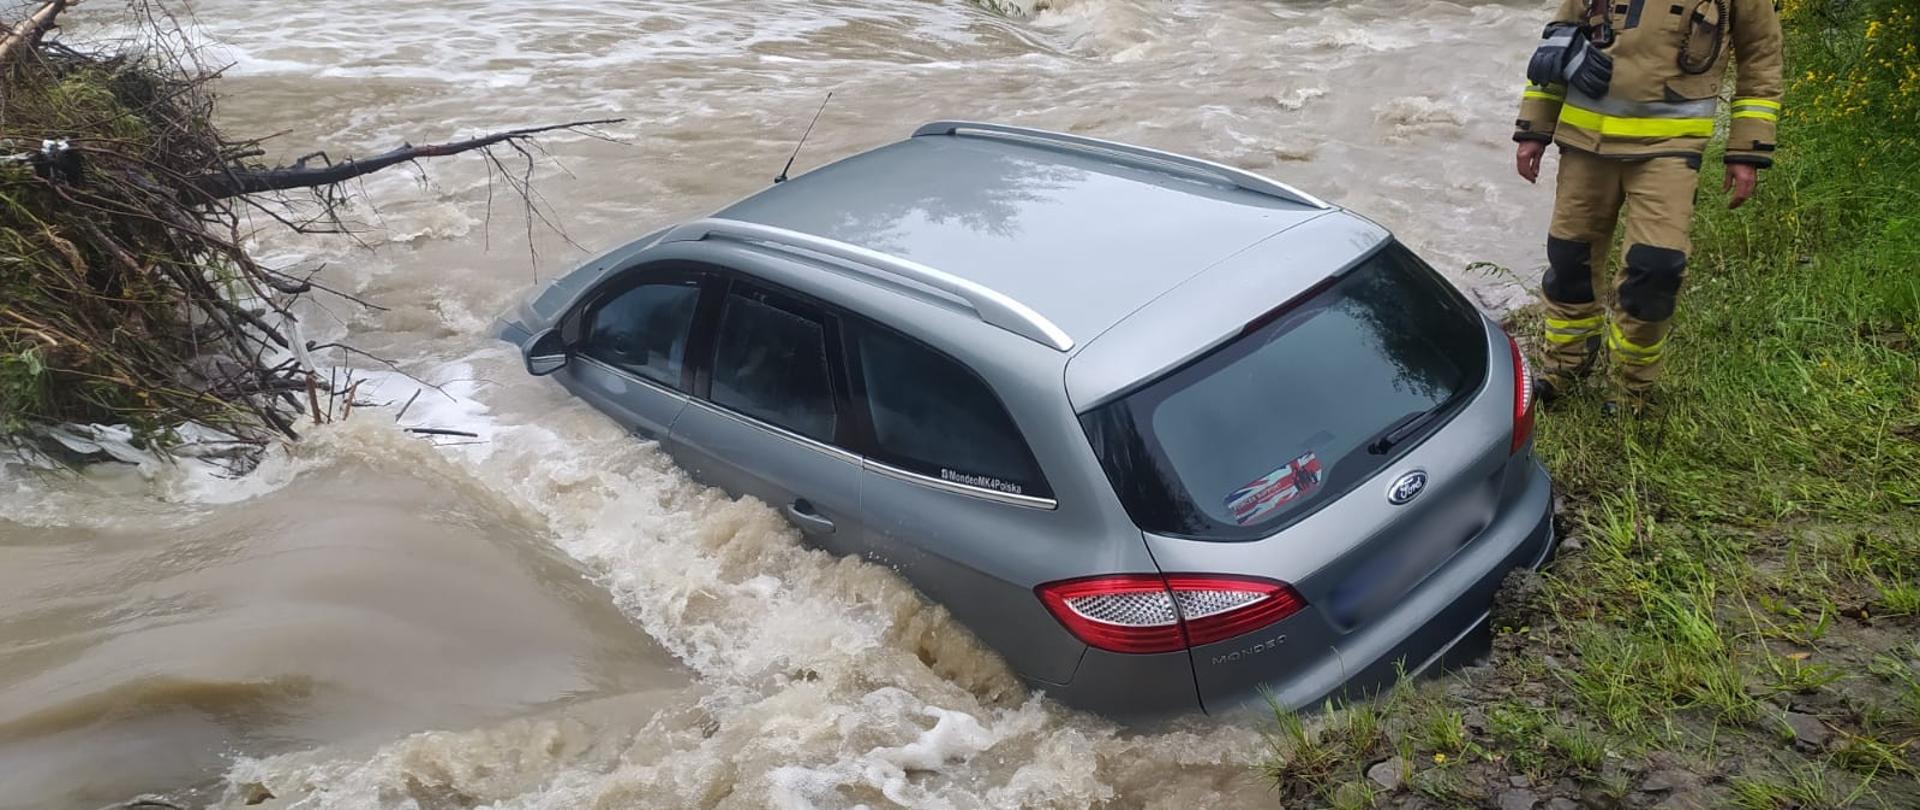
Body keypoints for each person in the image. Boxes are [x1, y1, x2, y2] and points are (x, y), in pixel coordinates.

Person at [1513, 0, 1783, 414]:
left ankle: (1631, 389)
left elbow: (1761, 57)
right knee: (1570, 261)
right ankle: (1564, 366)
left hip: (1669, 152)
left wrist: (1747, 150)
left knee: (1655, 269)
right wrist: (1534, 129)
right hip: (1585, 144)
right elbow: (1556, 45)